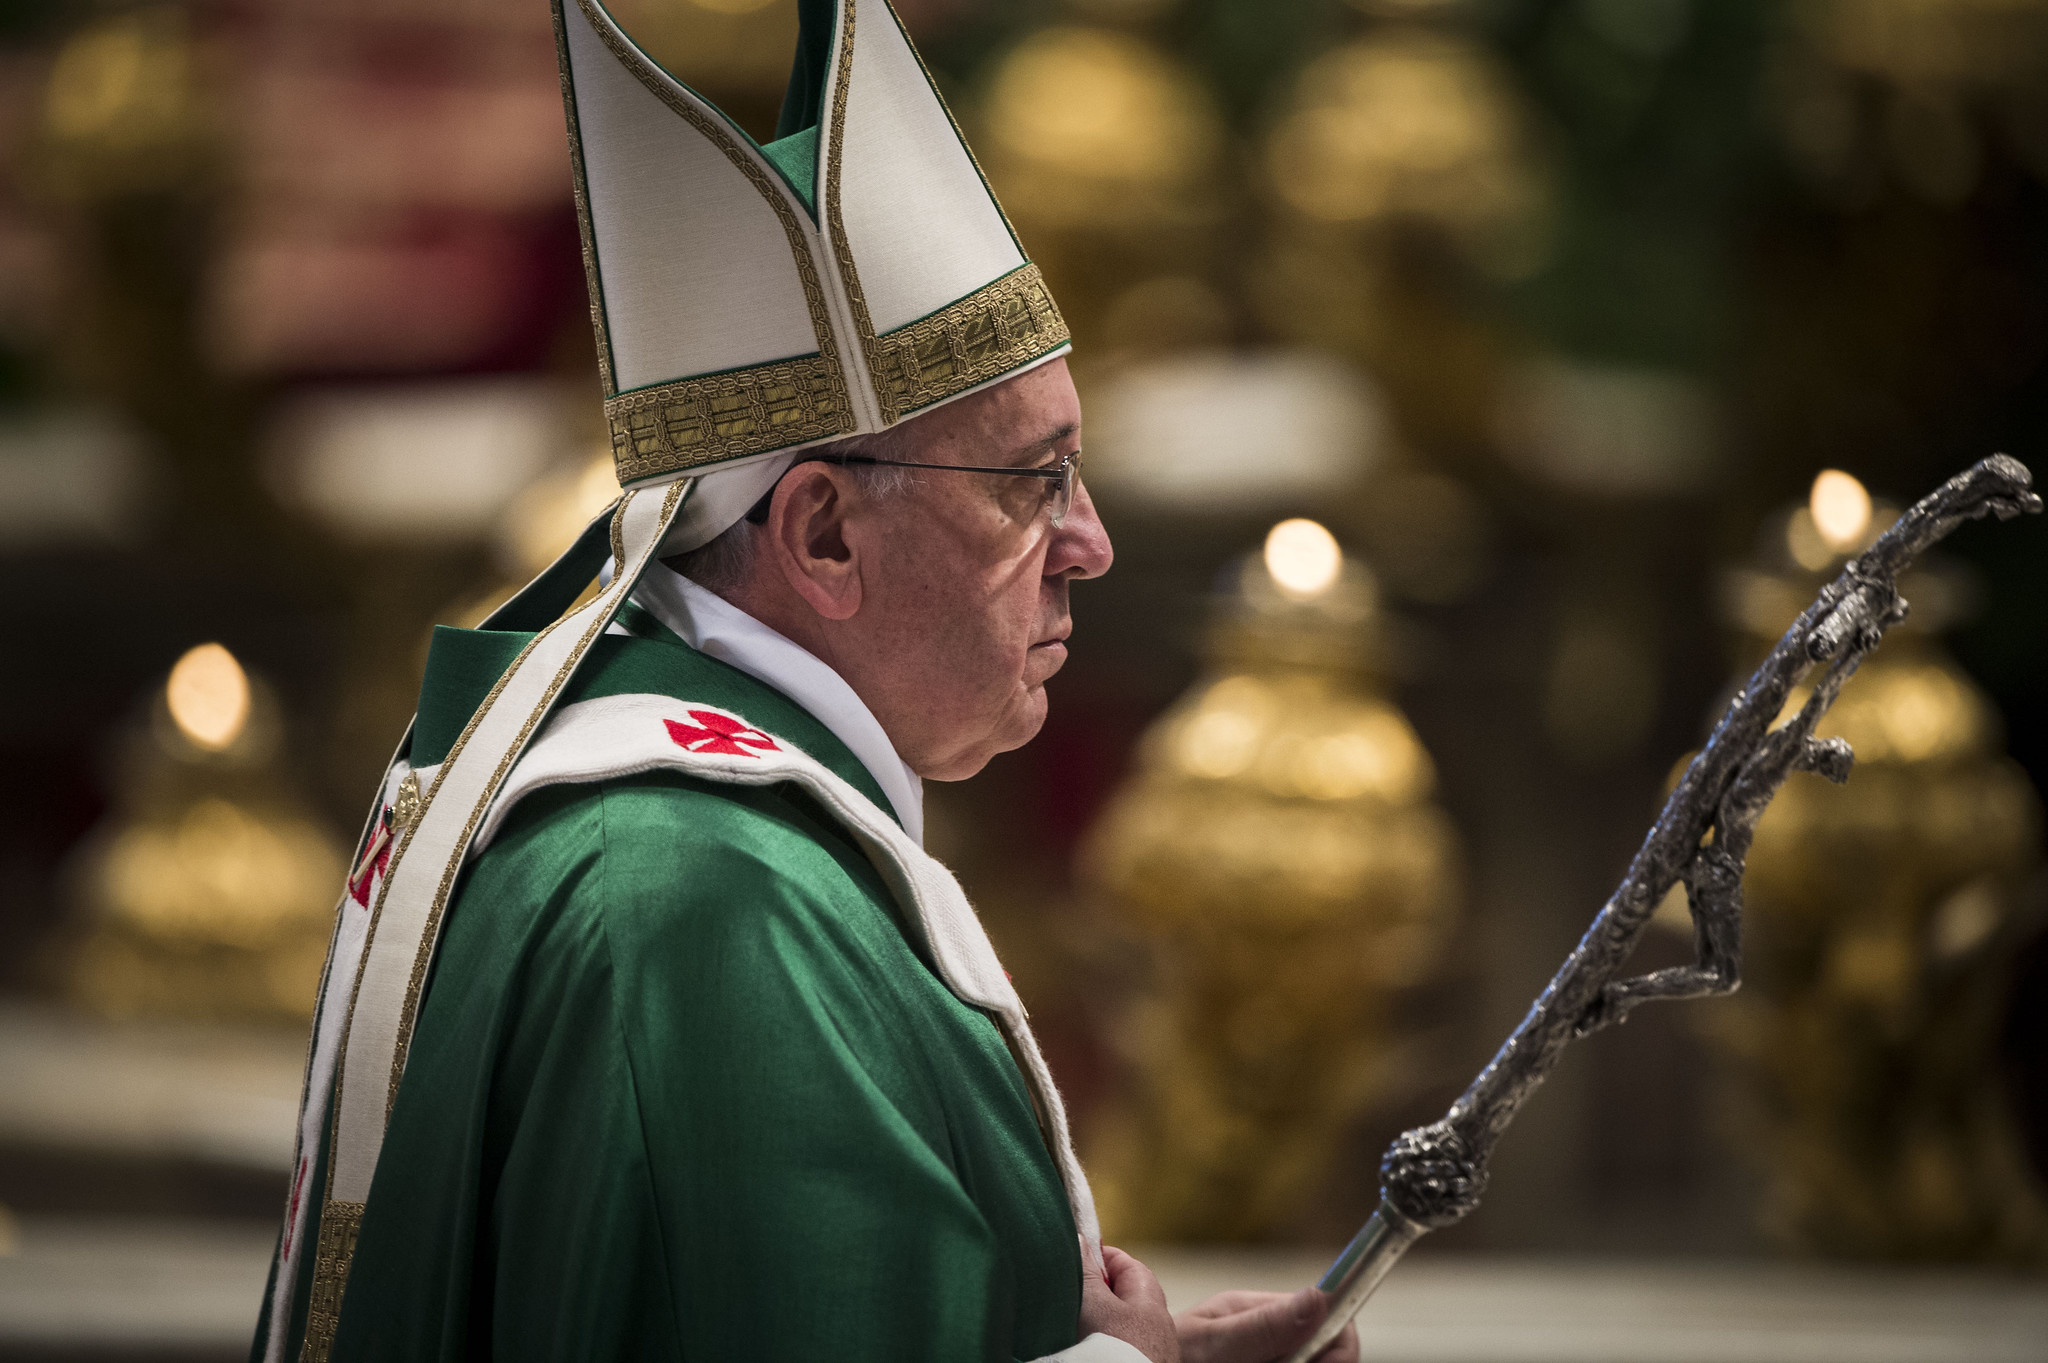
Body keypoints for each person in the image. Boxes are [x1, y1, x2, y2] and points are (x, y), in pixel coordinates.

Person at [253, 3, 1359, 1360]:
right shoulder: (705, 903)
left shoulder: (694, 832)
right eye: (1034, 480)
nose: (1092, 543)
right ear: (825, 533)